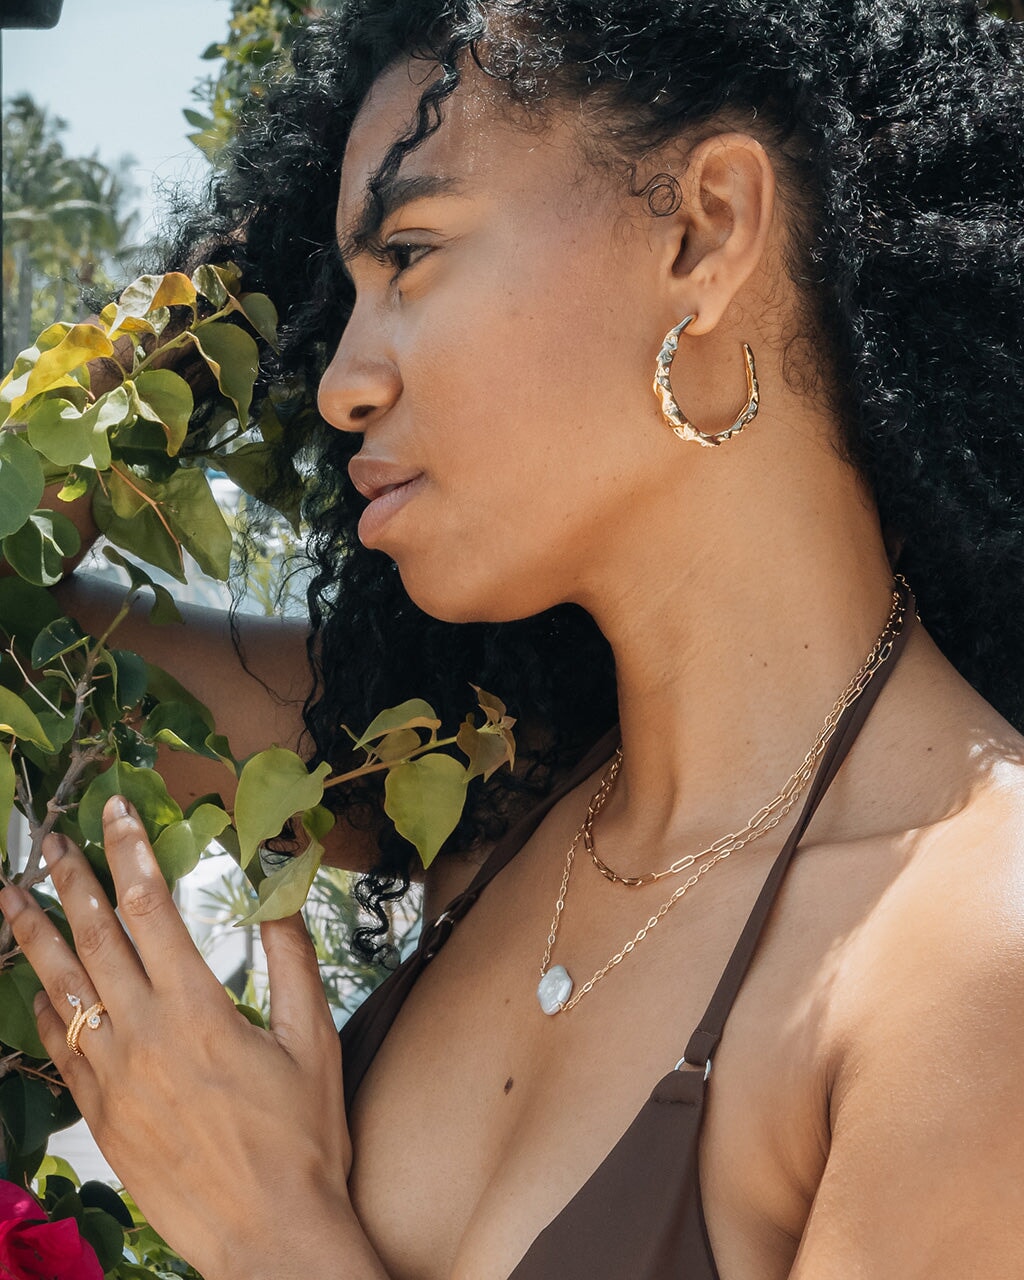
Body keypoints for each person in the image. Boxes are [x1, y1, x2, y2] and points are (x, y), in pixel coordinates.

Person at [2, 2, 1024, 1276]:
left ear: (706, 229)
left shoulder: (975, 953)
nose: (340, 383)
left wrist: (274, 1235)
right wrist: (233, 280)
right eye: (342, 297)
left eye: (410, 252)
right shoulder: (482, 784)